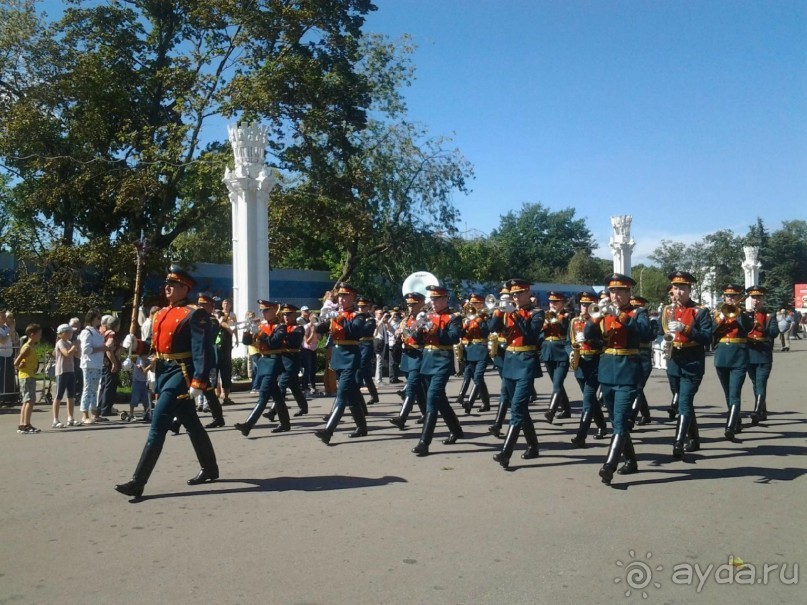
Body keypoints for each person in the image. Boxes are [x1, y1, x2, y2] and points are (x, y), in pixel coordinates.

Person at [115, 265, 218, 499]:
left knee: (157, 426)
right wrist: (135, 345)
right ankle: (210, 468)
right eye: (167, 284)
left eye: (173, 285)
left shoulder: (194, 313)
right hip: (163, 372)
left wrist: (198, 382)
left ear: (185, 288)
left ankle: (137, 482)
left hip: (181, 375)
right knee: (192, 424)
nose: (167, 288)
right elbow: (153, 346)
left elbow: (202, 351)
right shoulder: (160, 313)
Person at [587, 274, 650, 485]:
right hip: (607, 371)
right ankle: (631, 461)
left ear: (629, 293)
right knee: (616, 421)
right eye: (612, 291)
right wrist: (595, 318)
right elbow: (589, 335)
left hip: (628, 371)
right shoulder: (604, 313)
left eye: (620, 291)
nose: (615, 295)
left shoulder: (638, 312)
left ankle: (609, 465)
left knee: (621, 420)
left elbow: (645, 332)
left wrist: (622, 317)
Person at [486, 279, 543, 468]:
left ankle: (506, 452)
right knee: (518, 408)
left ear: (528, 294)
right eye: (513, 294)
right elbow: (491, 328)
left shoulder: (536, 313)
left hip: (526, 362)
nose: (515, 297)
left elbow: (530, 334)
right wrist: (498, 311)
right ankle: (533, 445)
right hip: (510, 362)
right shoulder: (507, 313)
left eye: (519, 293)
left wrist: (515, 314)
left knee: (518, 408)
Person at [662, 271, 713, 461]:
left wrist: (686, 329)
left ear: (690, 289)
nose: (678, 292)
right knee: (683, 400)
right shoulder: (667, 310)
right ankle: (695, 438)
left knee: (684, 401)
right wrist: (663, 340)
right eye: (675, 288)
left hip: (692, 360)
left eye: (682, 288)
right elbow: (662, 332)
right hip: (674, 360)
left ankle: (678, 442)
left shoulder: (700, 311)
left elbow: (707, 338)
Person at [409, 285, 465, 456]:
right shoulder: (427, 316)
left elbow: (453, 338)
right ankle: (456, 430)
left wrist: (435, 329)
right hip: (427, 359)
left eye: (436, 299)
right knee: (440, 400)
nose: (432, 302)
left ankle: (424, 442)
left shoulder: (454, 317)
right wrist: (418, 328)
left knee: (432, 398)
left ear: (445, 299)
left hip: (442, 359)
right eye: (431, 299)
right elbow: (416, 339)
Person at [314, 282, 368, 444]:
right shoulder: (336, 314)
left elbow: (355, 332)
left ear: (352, 297)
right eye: (340, 296)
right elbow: (321, 331)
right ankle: (362, 427)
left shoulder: (358, 316)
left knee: (342, 394)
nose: (341, 299)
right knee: (351, 395)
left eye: (345, 296)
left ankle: (328, 430)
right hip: (338, 356)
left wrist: (339, 318)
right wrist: (320, 322)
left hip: (351, 357)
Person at [234, 300, 287, 436]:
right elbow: (247, 342)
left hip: (274, 360)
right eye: (262, 311)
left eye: (265, 310)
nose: (262, 313)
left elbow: (274, 342)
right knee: (276, 395)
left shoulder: (280, 326)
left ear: (274, 310)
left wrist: (260, 333)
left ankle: (248, 425)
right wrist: (247, 331)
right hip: (264, 361)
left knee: (263, 394)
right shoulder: (261, 325)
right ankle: (285, 423)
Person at [712, 284, 753, 440]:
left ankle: (729, 426)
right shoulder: (718, 314)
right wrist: (722, 318)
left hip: (739, 356)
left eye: (734, 296)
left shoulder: (745, 314)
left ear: (738, 298)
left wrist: (739, 313)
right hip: (722, 356)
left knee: (735, 393)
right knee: (728, 393)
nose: (731, 298)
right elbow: (710, 331)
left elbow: (748, 328)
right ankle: (736, 419)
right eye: (728, 296)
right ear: (724, 298)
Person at [569, 292, 608, 447]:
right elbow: (567, 342)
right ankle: (602, 426)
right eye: (583, 304)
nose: (585, 307)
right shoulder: (574, 321)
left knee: (588, 398)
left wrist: (589, 339)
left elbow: (605, 343)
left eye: (588, 304)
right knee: (591, 400)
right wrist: (571, 352)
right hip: (580, 364)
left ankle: (581, 435)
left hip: (595, 362)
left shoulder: (600, 321)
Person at [389, 292, 428, 429]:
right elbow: (400, 337)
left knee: (411, 386)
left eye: (414, 304)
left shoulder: (424, 319)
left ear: (421, 304)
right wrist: (398, 335)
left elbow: (419, 337)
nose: (411, 307)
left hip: (419, 354)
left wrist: (405, 332)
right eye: (409, 305)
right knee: (418, 389)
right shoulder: (406, 320)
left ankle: (402, 417)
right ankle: (426, 414)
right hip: (407, 354)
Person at [745, 285, 779, 423]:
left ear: (763, 298)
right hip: (749, 353)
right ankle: (763, 411)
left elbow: (774, 332)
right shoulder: (746, 314)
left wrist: (762, 328)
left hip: (763, 353)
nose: (756, 300)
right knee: (755, 382)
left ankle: (757, 411)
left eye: (758, 297)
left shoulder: (770, 315)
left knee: (761, 382)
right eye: (753, 297)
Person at [456, 293, 492, 414]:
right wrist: (464, 326)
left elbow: (487, 331)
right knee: (470, 375)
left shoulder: (486, 315)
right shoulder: (468, 316)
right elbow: (460, 335)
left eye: (475, 303)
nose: (472, 305)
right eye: (472, 303)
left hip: (481, 348)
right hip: (469, 349)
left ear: (481, 303)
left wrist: (479, 320)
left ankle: (469, 403)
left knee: (478, 376)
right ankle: (486, 403)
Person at [542, 291, 572, 423]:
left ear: (562, 303)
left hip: (561, 352)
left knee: (557, 383)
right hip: (548, 351)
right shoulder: (545, 315)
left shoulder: (568, 316)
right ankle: (566, 409)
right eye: (551, 302)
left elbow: (568, 331)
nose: (553, 304)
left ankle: (551, 410)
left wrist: (559, 321)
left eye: (556, 302)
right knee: (556, 382)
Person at [627, 295, 655, 427]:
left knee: (638, 388)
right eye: (633, 307)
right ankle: (646, 415)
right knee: (638, 388)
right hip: (632, 356)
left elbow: (646, 334)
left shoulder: (645, 319)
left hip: (643, 355)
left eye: (637, 307)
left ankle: (631, 417)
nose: (635, 310)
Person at [78, 309, 107, 425]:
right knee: (88, 389)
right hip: (89, 364)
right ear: (92, 319)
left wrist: (103, 352)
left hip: (97, 364)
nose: (99, 320)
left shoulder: (96, 331)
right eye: (98, 318)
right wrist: (102, 349)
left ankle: (94, 413)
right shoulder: (87, 332)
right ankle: (84, 414)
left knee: (95, 389)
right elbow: (86, 350)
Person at [14, 323, 43, 434]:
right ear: (32, 334)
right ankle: (26, 424)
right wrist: (19, 366)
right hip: (26, 376)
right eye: (39, 334)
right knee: (30, 400)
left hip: (30, 375)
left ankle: (23, 424)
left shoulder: (31, 347)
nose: (40, 336)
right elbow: (16, 362)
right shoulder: (27, 348)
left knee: (27, 400)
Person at [52, 323, 80, 427]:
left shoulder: (69, 342)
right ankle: (55, 419)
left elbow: (77, 355)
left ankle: (70, 418)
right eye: (70, 332)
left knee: (71, 395)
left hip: (70, 370)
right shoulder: (60, 343)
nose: (72, 333)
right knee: (59, 395)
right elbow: (66, 353)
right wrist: (74, 347)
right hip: (62, 371)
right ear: (63, 333)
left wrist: (78, 346)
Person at [96, 314, 122, 419]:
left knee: (104, 385)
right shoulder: (112, 334)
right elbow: (109, 349)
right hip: (110, 363)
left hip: (105, 363)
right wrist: (115, 363)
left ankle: (101, 407)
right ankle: (106, 409)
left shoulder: (104, 333)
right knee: (109, 386)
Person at [355, 296, 380, 406]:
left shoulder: (371, 319)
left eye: (363, 306)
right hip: (358, 345)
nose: (360, 308)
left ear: (368, 307)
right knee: (366, 375)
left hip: (366, 345)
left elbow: (363, 331)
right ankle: (374, 396)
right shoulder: (357, 318)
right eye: (359, 306)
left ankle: (354, 395)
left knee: (359, 369)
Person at [217, 298, 236, 405]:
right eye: (224, 303)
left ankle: (226, 396)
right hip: (218, 344)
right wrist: (230, 329)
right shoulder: (218, 313)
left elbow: (235, 328)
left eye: (228, 303)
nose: (226, 304)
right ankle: (217, 394)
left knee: (226, 369)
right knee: (215, 370)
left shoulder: (232, 315)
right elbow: (219, 324)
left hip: (227, 345)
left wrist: (236, 338)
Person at [300, 306, 320, 395]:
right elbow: (307, 341)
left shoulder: (316, 327)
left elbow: (319, 338)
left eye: (316, 318)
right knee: (307, 369)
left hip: (314, 349)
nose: (314, 320)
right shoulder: (306, 327)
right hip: (306, 349)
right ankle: (304, 387)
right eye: (313, 318)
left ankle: (313, 386)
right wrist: (312, 332)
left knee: (313, 369)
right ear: (309, 319)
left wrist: (319, 331)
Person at [0, 310, 17, 406]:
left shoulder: (7, 328)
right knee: (2, 377)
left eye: (4, 316)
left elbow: (13, 340)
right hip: (1, 356)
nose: (4, 318)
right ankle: (2, 397)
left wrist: (13, 329)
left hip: (8, 355)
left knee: (9, 377)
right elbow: (2, 340)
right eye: (1, 316)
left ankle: (9, 397)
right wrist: (10, 332)